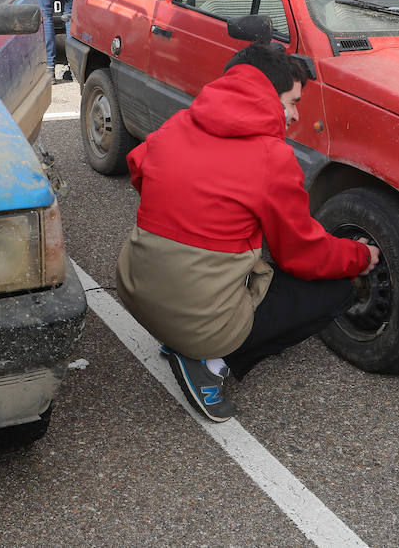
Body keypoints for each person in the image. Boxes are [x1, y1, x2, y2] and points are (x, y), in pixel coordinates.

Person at [115, 42, 379, 423]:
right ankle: (208, 362)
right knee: (334, 289)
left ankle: (176, 335)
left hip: (134, 289)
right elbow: (302, 255)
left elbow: (138, 171)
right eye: (292, 102)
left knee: (239, 258)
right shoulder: (272, 156)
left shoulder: (177, 124)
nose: (292, 116)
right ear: (265, 95)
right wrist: (358, 256)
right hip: (199, 323)